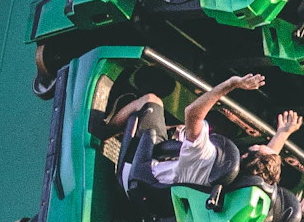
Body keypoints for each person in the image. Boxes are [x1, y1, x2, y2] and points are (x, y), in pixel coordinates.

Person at [110, 73, 263, 197]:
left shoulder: (206, 156)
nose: (259, 144)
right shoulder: (229, 189)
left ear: (243, 157)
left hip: (135, 174)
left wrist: (232, 84)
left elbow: (192, 113)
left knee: (150, 100)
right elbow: (262, 166)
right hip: (149, 191)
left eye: (258, 147)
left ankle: (99, 133)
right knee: (181, 131)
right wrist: (283, 133)